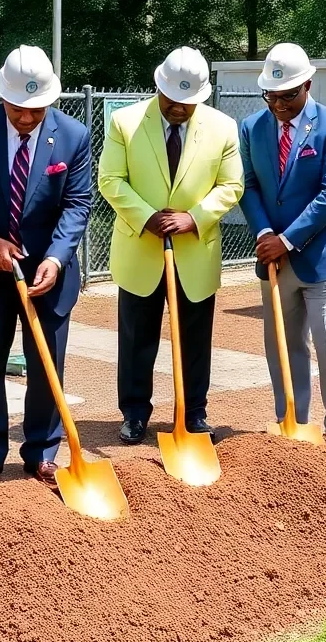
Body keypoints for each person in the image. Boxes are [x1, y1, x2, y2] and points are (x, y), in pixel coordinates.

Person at [0, 45, 91, 490]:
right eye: (17, 108)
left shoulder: (74, 136)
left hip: (50, 275)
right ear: (1, 96)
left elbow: (77, 203)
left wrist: (56, 257)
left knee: (47, 366)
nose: (27, 117)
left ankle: (42, 453)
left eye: (36, 108)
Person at [98, 47, 243, 445]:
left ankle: (193, 413)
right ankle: (133, 413)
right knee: (136, 339)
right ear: (158, 87)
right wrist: (148, 216)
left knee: (196, 340)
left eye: (189, 102)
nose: (180, 108)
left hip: (195, 252)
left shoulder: (223, 127)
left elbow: (232, 186)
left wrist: (193, 217)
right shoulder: (125, 122)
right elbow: (111, 179)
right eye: (173, 101)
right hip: (141, 251)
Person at [238, 42, 326, 436]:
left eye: (287, 95)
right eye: (270, 96)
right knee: (282, 347)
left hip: (324, 255)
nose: (278, 104)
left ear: (308, 85)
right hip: (274, 257)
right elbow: (250, 186)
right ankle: (292, 424)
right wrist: (264, 234)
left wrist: (287, 241)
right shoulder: (252, 128)